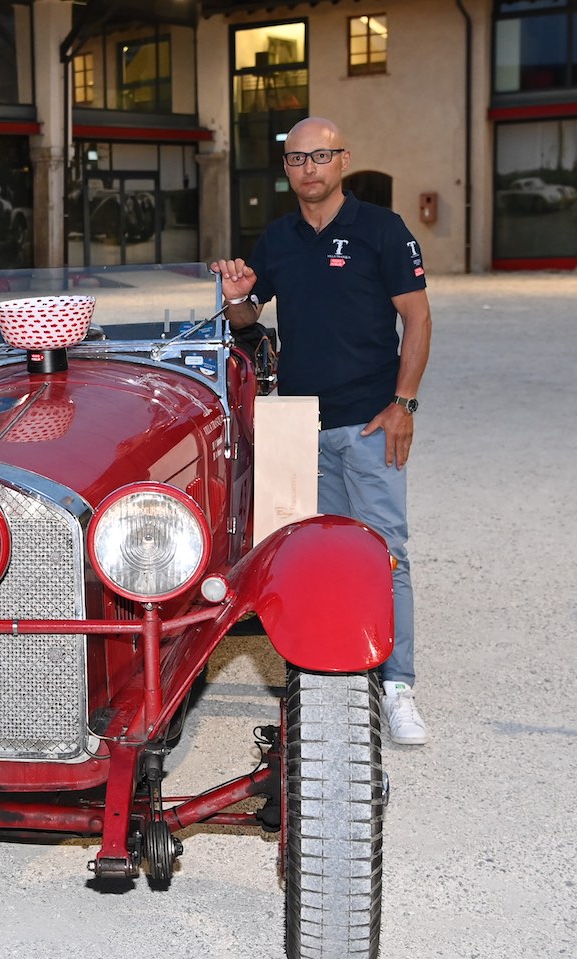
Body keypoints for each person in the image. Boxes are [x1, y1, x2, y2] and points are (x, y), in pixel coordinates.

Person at [210, 116, 432, 746]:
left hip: (369, 421)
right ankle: (333, 680)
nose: (309, 167)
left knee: (384, 551)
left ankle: (398, 686)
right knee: (314, 555)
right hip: (300, 424)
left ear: (343, 161)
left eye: (321, 156)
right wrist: (236, 297)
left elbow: (417, 320)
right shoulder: (278, 238)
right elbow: (249, 318)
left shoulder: (381, 231)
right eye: (297, 158)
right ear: (287, 169)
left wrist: (404, 405)